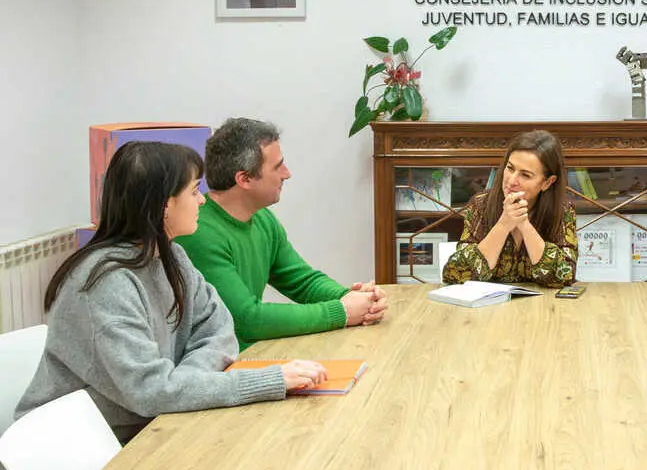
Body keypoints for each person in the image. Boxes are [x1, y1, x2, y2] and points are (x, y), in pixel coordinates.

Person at [16, 142, 328, 443]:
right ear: (165, 205)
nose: (202, 200)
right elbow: (150, 391)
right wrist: (267, 381)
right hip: (78, 448)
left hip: (152, 424)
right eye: (194, 191)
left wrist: (182, 381)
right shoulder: (106, 283)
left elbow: (219, 329)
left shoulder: (172, 256)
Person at [176, 118, 387, 350]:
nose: (287, 174)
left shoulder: (262, 219)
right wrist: (343, 311)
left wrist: (352, 297)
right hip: (223, 370)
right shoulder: (197, 232)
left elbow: (302, 281)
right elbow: (248, 320)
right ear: (244, 179)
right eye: (278, 167)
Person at [442, 130, 577, 287]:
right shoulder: (481, 205)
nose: (511, 181)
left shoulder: (563, 211)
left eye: (525, 175)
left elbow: (564, 276)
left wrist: (524, 224)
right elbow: (455, 275)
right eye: (510, 168)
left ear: (547, 182)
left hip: (543, 307)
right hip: (489, 307)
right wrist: (504, 224)